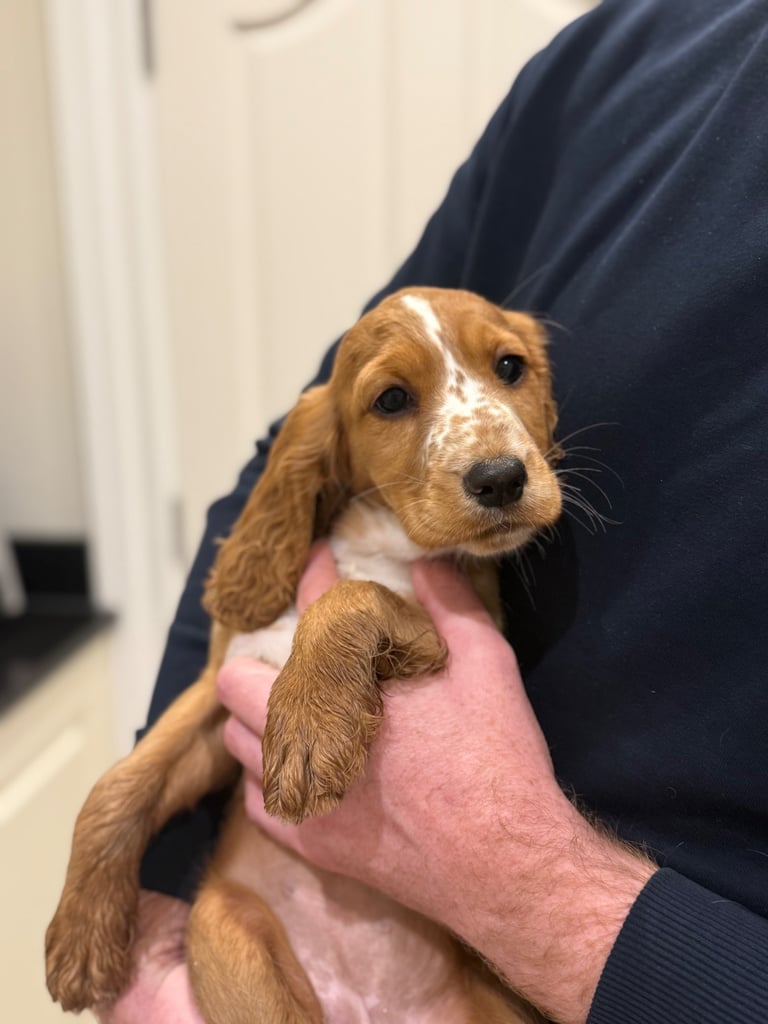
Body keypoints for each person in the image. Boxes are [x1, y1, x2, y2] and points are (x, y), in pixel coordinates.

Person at [104, 0, 768, 1020]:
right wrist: (157, 923)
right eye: (402, 401)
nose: (486, 438)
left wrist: (542, 898)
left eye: (512, 370)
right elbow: (289, 454)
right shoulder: (607, 60)